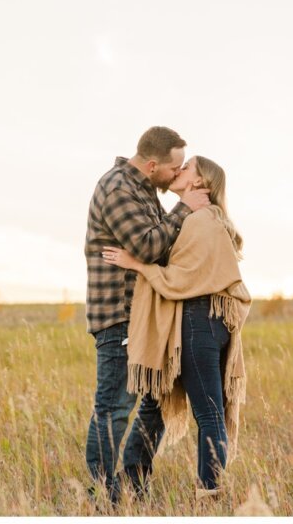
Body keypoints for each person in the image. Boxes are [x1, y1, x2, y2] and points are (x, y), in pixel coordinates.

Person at [102, 155, 251, 502]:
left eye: (187, 168)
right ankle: (133, 484)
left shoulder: (202, 221)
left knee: (208, 411)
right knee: (155, 406)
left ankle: (209, 493)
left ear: (200, 184)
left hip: (199, 321)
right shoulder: (199, 218)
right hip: (198, 321)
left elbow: (178, 279)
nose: (179, 171)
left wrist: (136, 264)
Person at [84, 126, 211, 505]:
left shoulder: (143, 190)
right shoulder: (118, 188)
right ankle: (101, 498)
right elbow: (149, 245)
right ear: (152, 164)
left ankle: (135, 481)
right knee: (115, 407)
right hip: (119, 316)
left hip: (148, 315)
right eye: (174, 169)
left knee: (159, 397)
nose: (177, 175)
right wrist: (185, 208)